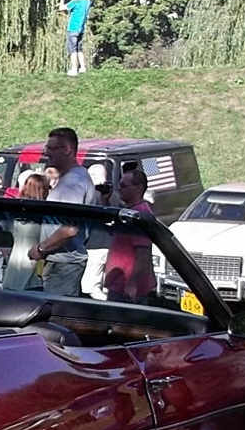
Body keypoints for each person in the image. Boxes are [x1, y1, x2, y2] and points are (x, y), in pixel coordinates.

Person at [29, 127, 98, 297]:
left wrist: (41, 248)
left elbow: (69, 229)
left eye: (51, 149)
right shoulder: (73, 178)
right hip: (62, 262)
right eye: (47, 149)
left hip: (64, 264)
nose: (47, 153)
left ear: (67, 150)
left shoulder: (73, 182)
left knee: (56, 316)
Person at [103, 168, 156, 303]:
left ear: (139, 188)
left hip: (128, 288)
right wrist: (105, 202)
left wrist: (133, 284)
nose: (119, 189)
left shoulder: (139, 214)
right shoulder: (129, 212)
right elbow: (112, 231)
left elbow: (143, 252)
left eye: (123, 186)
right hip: (118, 284)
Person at [2, 170, 50, 291]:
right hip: (35, 263)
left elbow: (5, 233)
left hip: (14, 263)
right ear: (42, 190)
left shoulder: (15, 211)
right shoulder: (45, 213)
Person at [61, 0, 92, 76]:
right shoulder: (87, 1)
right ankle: (83, 67)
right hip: (81, 28)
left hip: (72, 28)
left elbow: (61, 8)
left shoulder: (75, 2)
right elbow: (79, 1)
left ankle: (74, 70)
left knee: (72, 50)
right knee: (79, 49)